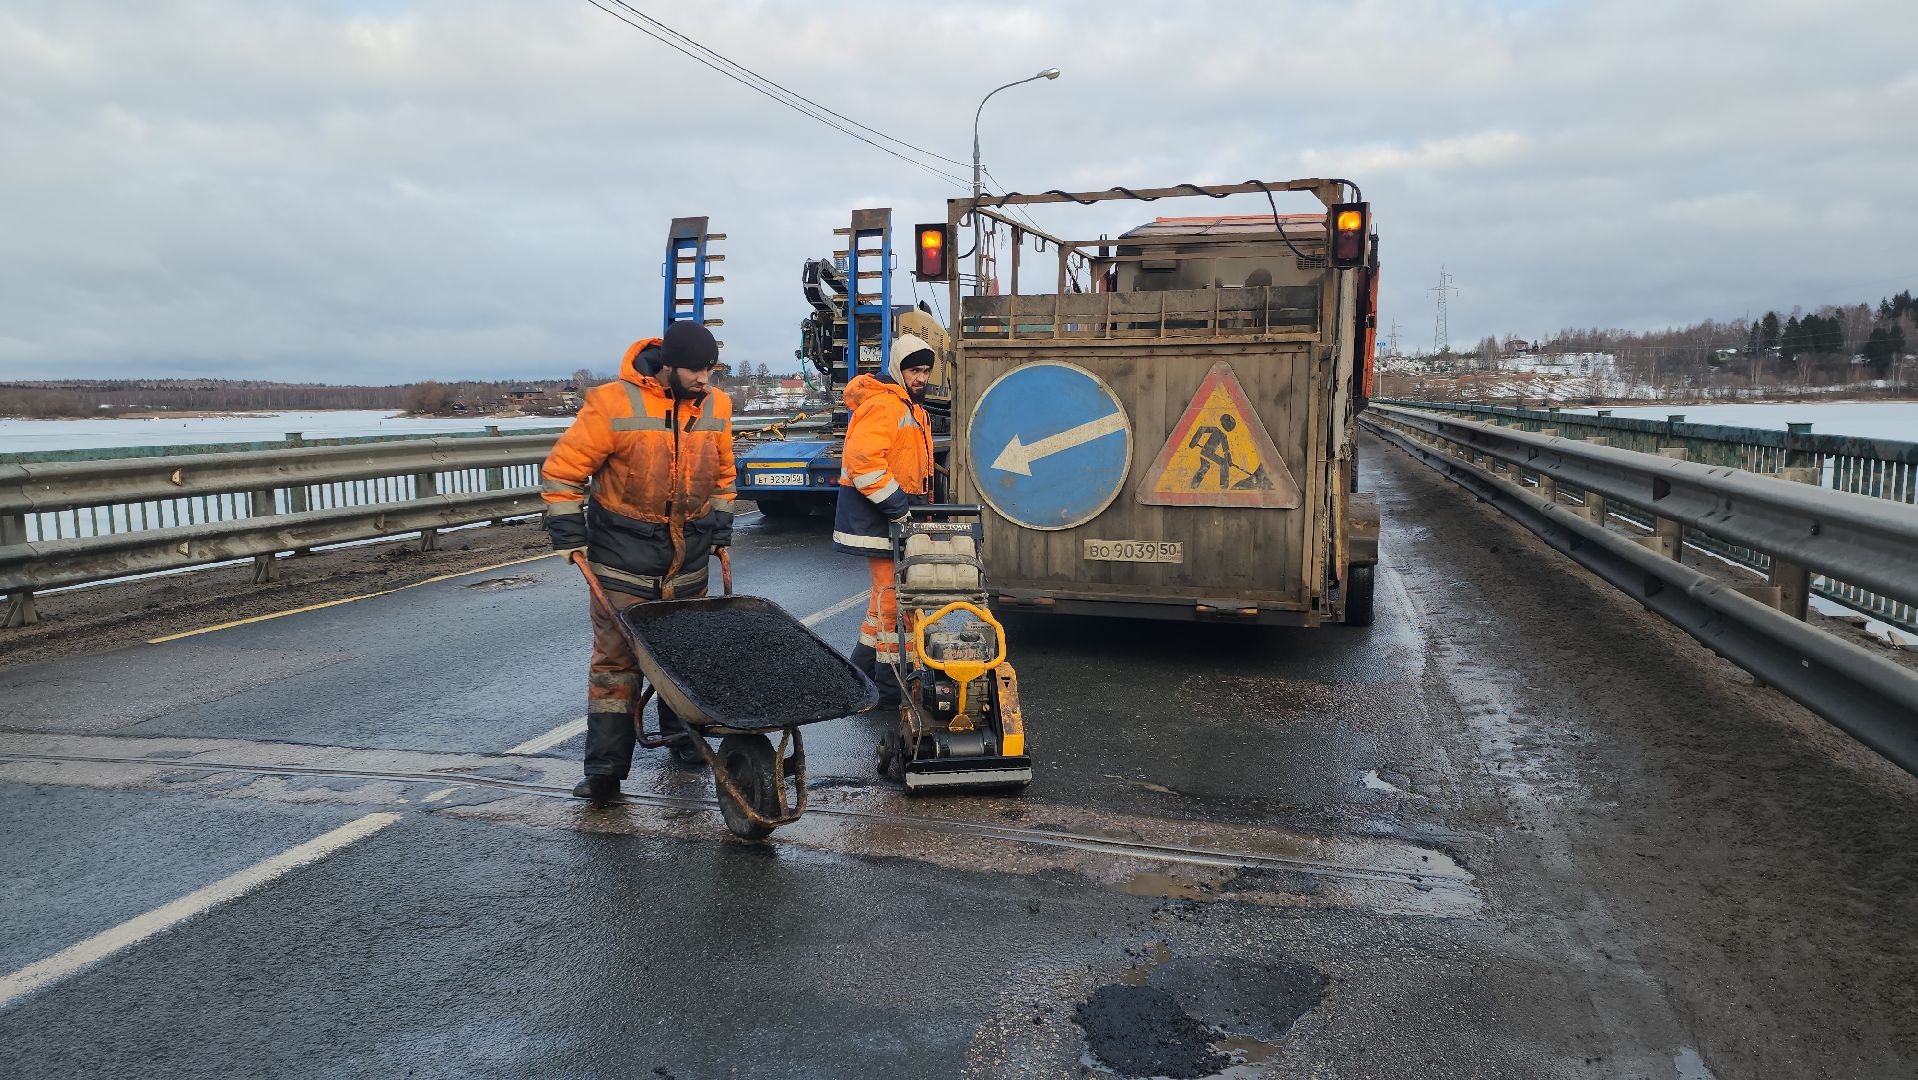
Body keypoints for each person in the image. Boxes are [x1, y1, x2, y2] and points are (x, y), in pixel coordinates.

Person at [540, 321, 737, 805]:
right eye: (696, 369)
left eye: (711, 369)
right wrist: (568, 536)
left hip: (688, 555)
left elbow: (724, 476)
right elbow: (563, 474)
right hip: (622, 557)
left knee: (685, 652)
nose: (705, 379)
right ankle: (605, 770)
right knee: (618, 664)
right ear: (668, 366)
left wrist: (720, 533)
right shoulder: (613, 403)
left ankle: (682, 740)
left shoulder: (717, 406)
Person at [832, 332, 937, 707]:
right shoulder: (886, 406)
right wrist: (897, 506)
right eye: (914, 370)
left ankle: (858, 672)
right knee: (894, 600)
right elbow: (864, 463)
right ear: (898, 370)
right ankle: (889, 690)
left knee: (882, 601)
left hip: (889, 516)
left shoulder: (910, 407)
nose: (921, 377)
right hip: (880, 518)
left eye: (925, 370)